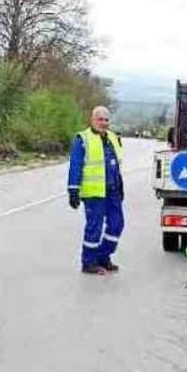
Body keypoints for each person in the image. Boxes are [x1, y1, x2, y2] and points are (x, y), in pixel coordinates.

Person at [67, 107, 124, 275]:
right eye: (100, 119)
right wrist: (73, 190)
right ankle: (88, 262)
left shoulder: (113, 138)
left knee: (117, 224)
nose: (104, 123)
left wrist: (120, 186)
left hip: (112, 191)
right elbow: (75, 166)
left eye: (106, 120)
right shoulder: (82, 139)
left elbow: (116, 165)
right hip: (94, 193)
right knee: (95, 227)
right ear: (92, 120)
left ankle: (103, 256)